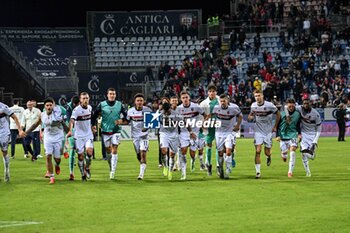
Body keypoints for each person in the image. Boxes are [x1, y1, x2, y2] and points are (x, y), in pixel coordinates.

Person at [25, 98, 68, 184]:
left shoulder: (57, 115)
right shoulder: (42, 115)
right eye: (47, 105)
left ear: (53, 106)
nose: (49, 107)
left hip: (58, 137)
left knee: (57, 159)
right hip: (48, 137)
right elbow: (35, 125)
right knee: (48, 156)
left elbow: (64, 125)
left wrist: (69, 131)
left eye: (50, 105)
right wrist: (26, 133)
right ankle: (51, 176)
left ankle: (57, 165)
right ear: (45, 106)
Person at [91, 88, 127, 180]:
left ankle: (113, 171)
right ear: (107, 95)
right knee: (108, 150)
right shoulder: (102, 105)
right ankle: (111, 166)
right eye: (110, 94)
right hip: (105, 131)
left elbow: (127, 117)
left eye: (114, 94)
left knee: (114, 149)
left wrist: (122, 120)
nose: (112, 95)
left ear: (115, 95)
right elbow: (94, 115)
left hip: (116, 130)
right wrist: (93, 125)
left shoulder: (120, 105)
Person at [248, 89, 281, 179]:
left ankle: (269, 156)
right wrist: (250, 117)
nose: (257, 98)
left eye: (259, 96)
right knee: (258, 150)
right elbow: (251, 114)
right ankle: (258, 172)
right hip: (258, 130)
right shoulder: (253, 105)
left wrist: (275, 126)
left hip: (268, 131)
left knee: (266, 152)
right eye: (256, 96)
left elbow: (278, 114)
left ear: (262, 96)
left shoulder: (269, 105)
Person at [118, 93, 152, 180]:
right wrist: (119, 122)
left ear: (143, 101)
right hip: (135, 137)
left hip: (144, 136)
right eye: (138, 101)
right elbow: (127, 121)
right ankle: (142, 165)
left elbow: (153, 123)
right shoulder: (130, 111)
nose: (139, 102)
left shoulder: (148, 110)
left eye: (141, 100)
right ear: (135, 102)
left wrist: (146, 127)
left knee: (143, 153)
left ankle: (141, 174)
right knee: (138, 155)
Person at [177, 90, 207, 180]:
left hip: (195, 132)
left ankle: (193, 160)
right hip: (184, 133)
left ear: (189, 98)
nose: (185, 99)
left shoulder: (196, 107)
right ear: (181, 99)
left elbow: (205, 115)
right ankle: (183, 173)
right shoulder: (178, 109)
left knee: (192, 153)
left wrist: (203, 124)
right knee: (183, 151)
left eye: (186, 97)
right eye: (183, 98)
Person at [212, 94, 243, 179]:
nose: (222, 103)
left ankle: (227, 171)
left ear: (227, 101)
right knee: (220, 153)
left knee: (228, 152)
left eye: (224, 101)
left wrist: (238, 125)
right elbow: (212, 116)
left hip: (230, 132)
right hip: (219, 133)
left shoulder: (234, 108)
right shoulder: (216, 107)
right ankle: (220, 168)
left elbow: (240, 116)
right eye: (221, 101)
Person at [66, 92, 94, 181]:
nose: (85, 100)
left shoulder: (90, 108)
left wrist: (92, 127)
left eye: (87, 98)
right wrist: (70, 130)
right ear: (80, 100)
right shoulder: (76, 110)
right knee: (81, 156)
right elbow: (71, 120)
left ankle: (88, 168)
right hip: (79, 137)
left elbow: (90, 119)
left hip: (88, 135)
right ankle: (83, 174)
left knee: (89, 153)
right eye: (83, 98)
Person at [295, 98, 322, 177]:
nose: (306, 105)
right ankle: (308, 172)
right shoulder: (299, 108)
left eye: (307, 103)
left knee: (309, 155)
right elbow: (287, 107)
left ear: (310, 104)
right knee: (303, 154)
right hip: (303, 134)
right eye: (304, 103)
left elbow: (319, 127)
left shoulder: (315, 114)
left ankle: (312, 155)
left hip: (312, 135)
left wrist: (315, 140)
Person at [276, 98, 301, 177]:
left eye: (292, 105)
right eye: (289, 105)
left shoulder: (297, 114)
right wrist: (277, 135)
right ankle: (283, 154)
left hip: (293, 134)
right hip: (283, 135)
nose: (291, 107)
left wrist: (299, 134)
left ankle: (290, 172)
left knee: (293, 151)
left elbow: (298, 125)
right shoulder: (281, 113)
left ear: (294, 105)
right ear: (286, 105)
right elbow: (277, 125)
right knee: (284, 154)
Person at [0, 101, 25, 182]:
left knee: (4, 152)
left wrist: (20, 130)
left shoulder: (3, 107)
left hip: (3, 133)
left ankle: (6, 170)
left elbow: (14, 117)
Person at [158, 98, 182, 180]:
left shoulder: (176, 114)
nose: (166, 112)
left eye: (167, 111)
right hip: (164, 133)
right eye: (164, 111)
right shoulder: (160, 114)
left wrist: (190, 132)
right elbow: (151, 121)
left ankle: (170, 171)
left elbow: (183, 122)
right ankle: (165, 166)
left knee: (172, 154)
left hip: (174, 134)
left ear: (170, 109)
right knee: (163, 151)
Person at [199, 84, 219, 176]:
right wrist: (202, 124)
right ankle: (209, 165)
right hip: (209, 126)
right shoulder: (203, 103)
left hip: (219, 126)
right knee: (209, 145)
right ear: (208, 93)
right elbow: (200, 116)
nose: (212, 93)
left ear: (216, 92)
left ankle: (218, 166)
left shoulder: (221, 100)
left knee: (219, 146)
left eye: (213, 91)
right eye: (210, 91)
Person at [65, 95, 79, 180]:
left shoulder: (84, 106)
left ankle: (84, 168)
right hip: (72, 130)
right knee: (73, 151)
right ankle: (71, 172)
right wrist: (71, 131)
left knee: (81, 152)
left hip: (82, 131)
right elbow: (70, 120)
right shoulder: (68, 107)